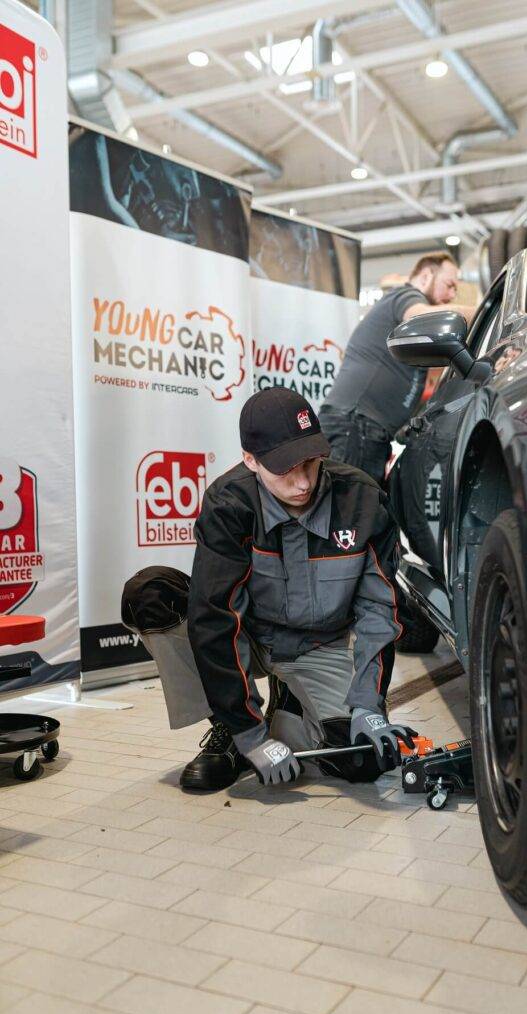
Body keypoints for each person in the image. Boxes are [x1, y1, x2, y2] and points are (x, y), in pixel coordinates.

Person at [176, 386, 416, 790]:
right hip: (251, 639)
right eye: (285, 468)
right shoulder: (229, 505)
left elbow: (380, 611)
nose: (303, 481)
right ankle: (228, 732)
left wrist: (368, 705)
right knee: (152, 596)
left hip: (316, 647)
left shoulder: (361, 500)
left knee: (363, 760)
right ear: (251, 461)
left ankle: (289, 704)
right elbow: (216, 620)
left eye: (310, 462)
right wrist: (248, 734)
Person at [318, 251, 475, 484]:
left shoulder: (418, 340)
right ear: (426, 276)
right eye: (449, 285)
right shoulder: (405, 295)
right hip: (354, 426)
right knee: (350, 505)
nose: (452, 295)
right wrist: (481, 310)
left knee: (363, 504)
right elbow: (419, 315)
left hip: (369, 432)